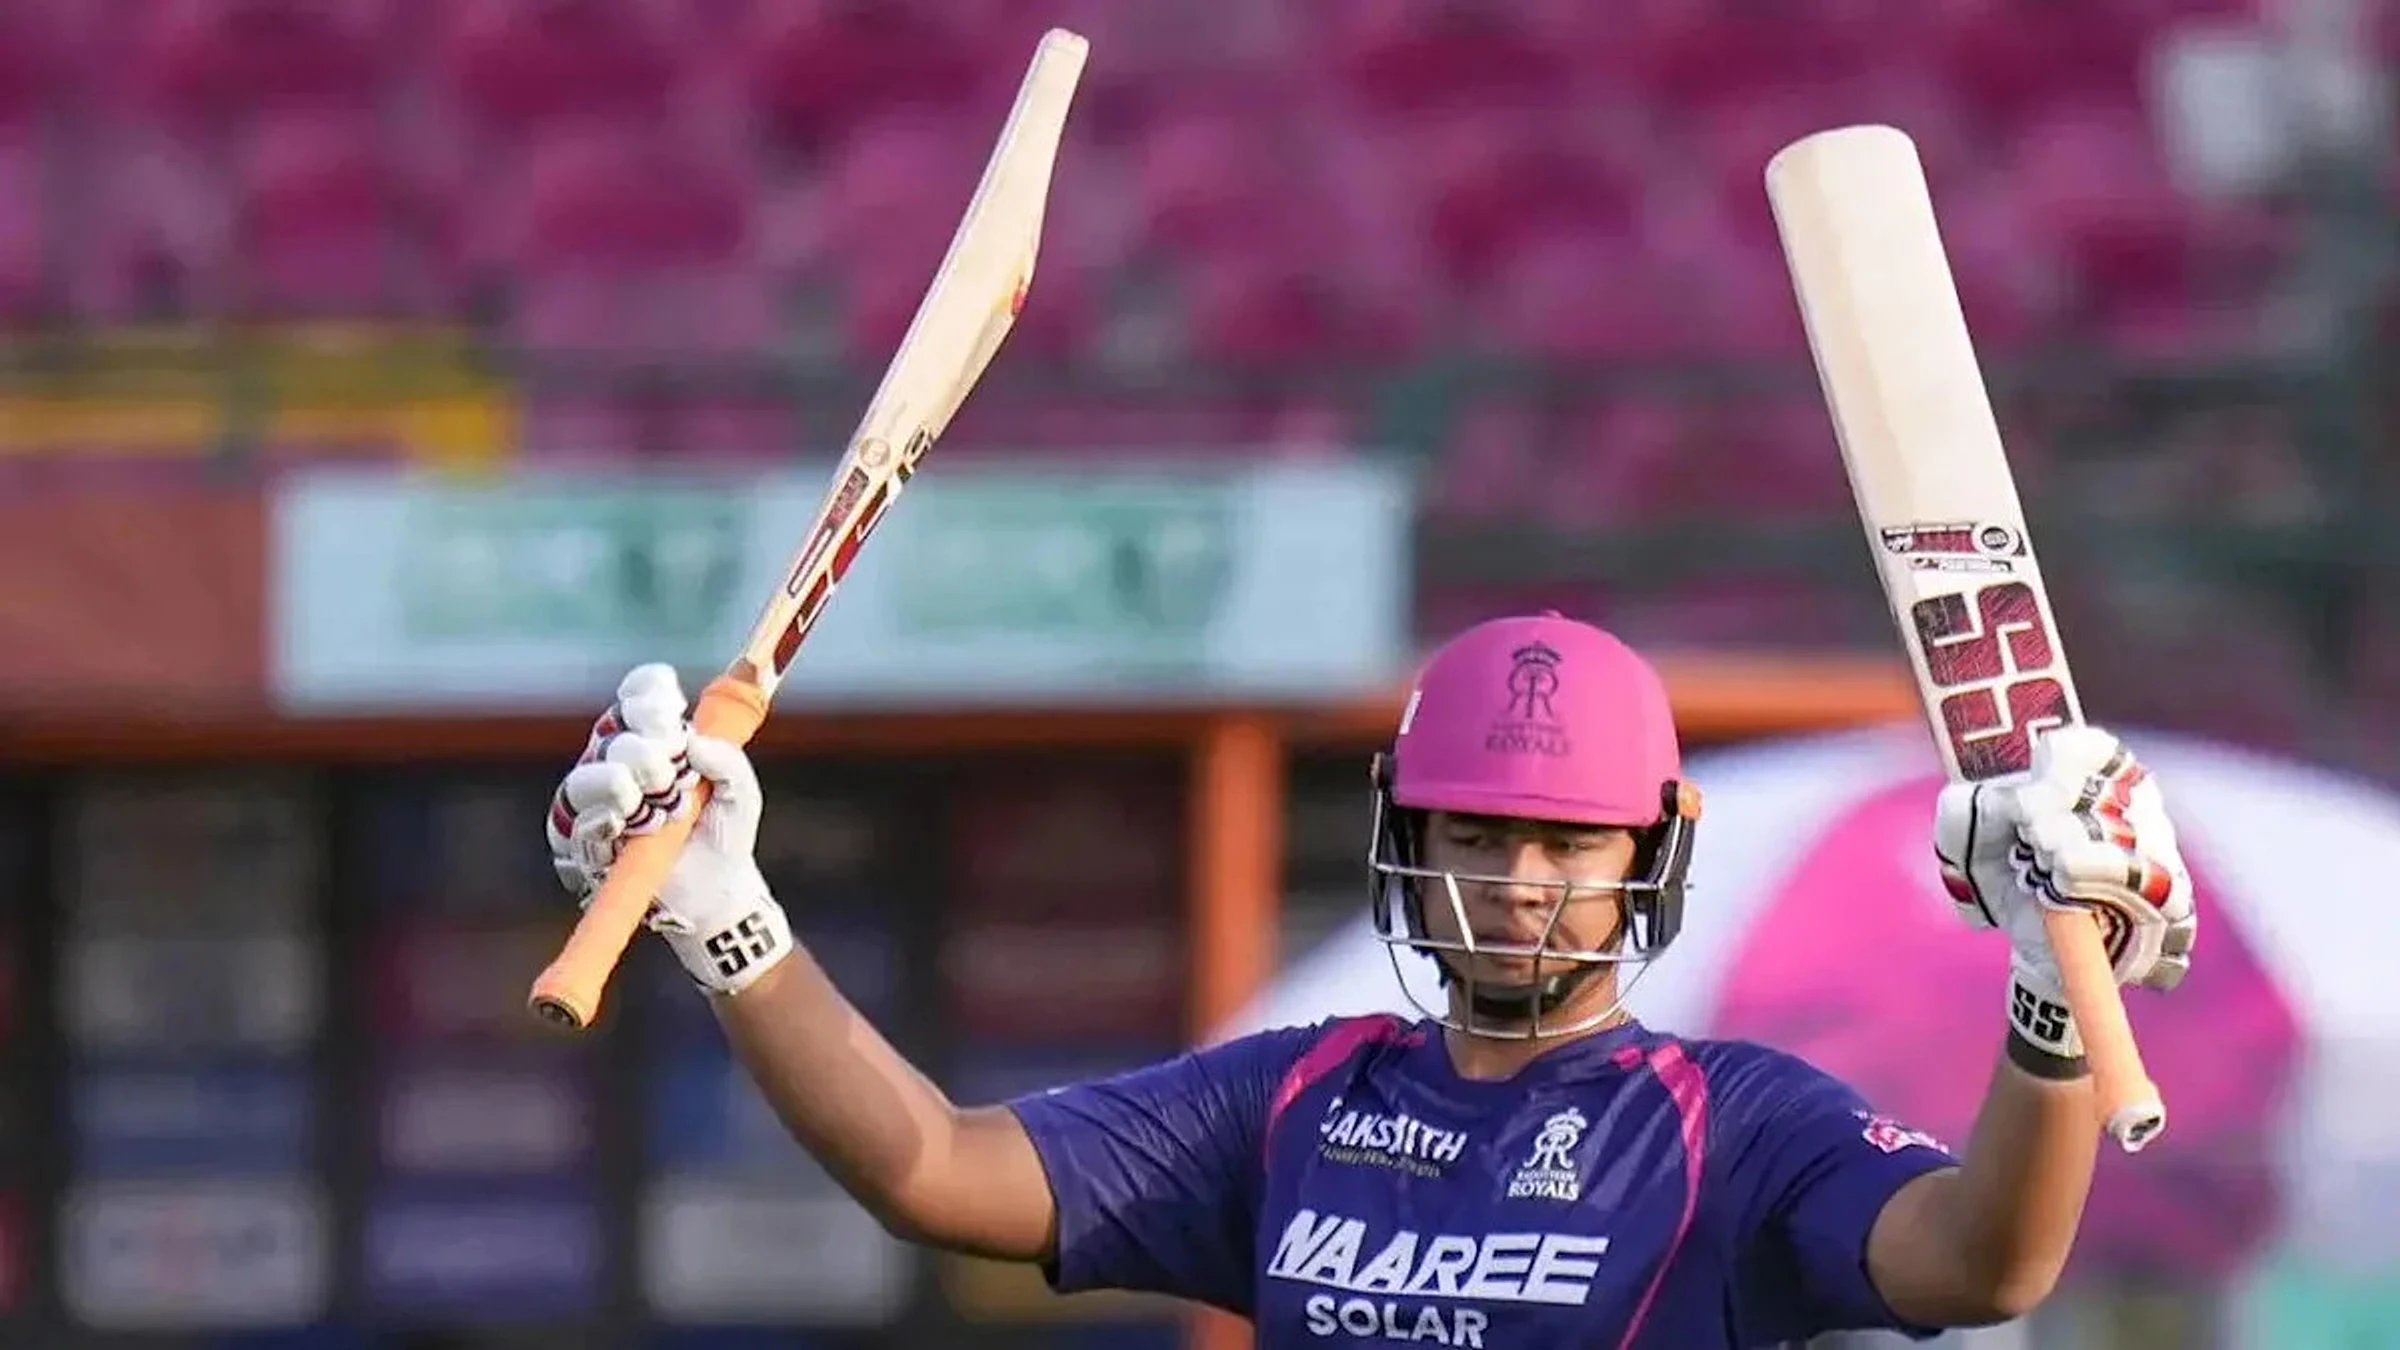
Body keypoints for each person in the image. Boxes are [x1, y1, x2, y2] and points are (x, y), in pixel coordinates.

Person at [547, 612, 2196, 1347]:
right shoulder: (1287, 1098)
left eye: (1569, 841)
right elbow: (932, 1167)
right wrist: (726, 916)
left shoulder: (1740, 1124)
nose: (1521, 879)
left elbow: (1984, 1262)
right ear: (1411, 835)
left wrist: (2052, 1004)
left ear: (1648, 850)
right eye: (1478, 832)